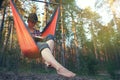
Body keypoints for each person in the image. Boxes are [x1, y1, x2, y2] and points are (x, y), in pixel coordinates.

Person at [27, 13, 76, 78]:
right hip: (30, 46)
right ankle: (59, 68)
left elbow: (40, 38)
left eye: (35, 22)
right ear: (28, 21)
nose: (33, 24)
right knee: (43, 44)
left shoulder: (37, 31)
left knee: (50, 36)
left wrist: (40, 38)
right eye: (32, 21)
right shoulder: (24, 29)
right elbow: (25, 38)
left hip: (39, 46)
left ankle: (48, 61)